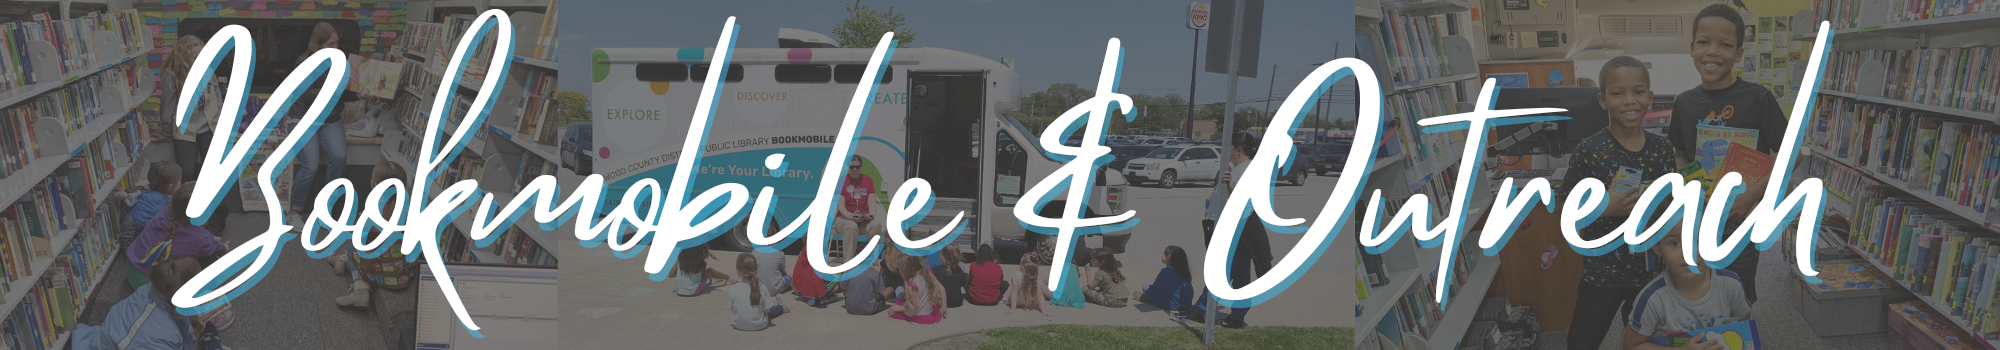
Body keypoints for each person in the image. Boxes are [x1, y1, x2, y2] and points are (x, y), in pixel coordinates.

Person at [1667, 4, 1789, 306]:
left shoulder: (1757, 98)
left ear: (1738, 53)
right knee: (1696, 291)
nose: (1712, 52)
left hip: (1742, 218)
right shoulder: (1683, 103)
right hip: (1699, 217)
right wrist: (1689, 189)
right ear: (1692, 47)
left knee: (1738, 293)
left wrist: (1752, 196)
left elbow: (1791, 154)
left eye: (1724, 45)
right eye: (1705, 42)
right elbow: (1680, 154)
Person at [1563, 55, 1678, 350]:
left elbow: (1671, 206)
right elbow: (1568, 213)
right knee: (1582, 341)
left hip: (1651, 272)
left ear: (1650, 98)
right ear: (1603, 100)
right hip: (1602, 272)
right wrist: (1605, 208)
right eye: (1618, 93)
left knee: (1646, 342)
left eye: (1638, 92)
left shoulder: (1663, 149)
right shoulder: (1588, 151)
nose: (1630, 101)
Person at [1191, 132, 1273, 328]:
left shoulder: (1248, 169)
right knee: (1241, 277)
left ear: (1239, 149)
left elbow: (1244, 202)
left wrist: (1228, 186)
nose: (1226, 153)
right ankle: (1237, 317)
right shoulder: (1239, 168)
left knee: (1222, 272)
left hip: (1238, 230)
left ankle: (1201, 309)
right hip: (1238, 231)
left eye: (1229, 148)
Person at [1622, 233, 1753, 350]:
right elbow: (1632, 345)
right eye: (1675, 243)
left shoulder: (1731, 285)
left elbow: (1745, 329)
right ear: (1657, 247)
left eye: (1697, 240)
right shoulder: (1651, 299)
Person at [160, 34, 233, 235]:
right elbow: (167, 107)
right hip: (185, 131)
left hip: (209, 128)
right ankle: (185, 221)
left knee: (214, 174)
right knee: (186, 174)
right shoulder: (172, 74)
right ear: (184, 57)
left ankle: (217, 223)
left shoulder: (207, 71)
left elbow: (217, 100)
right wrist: (166, 131)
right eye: (194, 58)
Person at [73, 257, 228, 350]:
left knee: (207, 329)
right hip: (129, 341)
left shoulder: (152, 289)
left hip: (107, 340)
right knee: (210, 336)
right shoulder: (160, 335)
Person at [332, 162, 418, 308]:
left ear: (375, 184)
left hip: (378, 271)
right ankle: (342, 259)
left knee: (354, 247)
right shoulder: (409, 208)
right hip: (403, 274)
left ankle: (360, 289)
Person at [290, 22, 351, 221]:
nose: (335, 48)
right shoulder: (304, 61)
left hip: (330, 119)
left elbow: (346, 93)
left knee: (340, 156)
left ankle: (326, 212)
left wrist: (365, 94)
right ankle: (294, 211)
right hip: (303, 119)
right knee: (311, 165)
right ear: (318, 45)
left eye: (337, 43)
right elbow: (305, 95)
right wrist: (333, 85)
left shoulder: (341, 61)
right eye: (330, 44)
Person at [129, 185, 231, 275]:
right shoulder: (198, 238)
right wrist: (224, 248)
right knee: (209, 258)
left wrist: (211, 237)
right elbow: (210, 246)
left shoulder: (166, 211)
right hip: (155, 283)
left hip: (132, 268)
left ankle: (220, 213)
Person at [834, 156, 884, 260]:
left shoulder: (868, 180)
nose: (854, 169)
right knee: (851, 226)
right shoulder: (842, 180)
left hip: (862, 218)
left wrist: (871, 214)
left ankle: (871, 260)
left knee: (876, 225)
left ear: (861, 167)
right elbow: (841, 206)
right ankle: (848, 264)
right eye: (852, 167)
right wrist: (850, 217)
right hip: (844, 218)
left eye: (857, 166)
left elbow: (871, 201)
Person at [729, 253, 785, 331]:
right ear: (756, 270)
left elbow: (732, 309)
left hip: (738, 325)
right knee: (772, 310)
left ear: (739, 272)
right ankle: (782, 307)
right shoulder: (762, 287)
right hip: (760, 325)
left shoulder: (734, 288)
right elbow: (767, 310)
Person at [886, 255, 945, 324]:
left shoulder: (910, 283)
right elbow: (942, 288)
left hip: (915, 313)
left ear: (905, 269)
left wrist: (900, 308)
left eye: (899, 269)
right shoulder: (927, 273)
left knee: (899, 289)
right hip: (928, 310)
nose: (899, 272)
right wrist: (944, 308)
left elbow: (915, 306)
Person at [1137, 246, 1196, 314]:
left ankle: (1150, 299)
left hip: (1173, 304)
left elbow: (1155, 287)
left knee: (1145, 286)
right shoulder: (1184, 271)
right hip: (1187, 304)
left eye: (1164, 253)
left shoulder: (1166, 272)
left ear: (1168, 257)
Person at [670, 244, 735, 297]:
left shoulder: (680, 261)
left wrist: (684, 275)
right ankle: (729, 278)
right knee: (710, 271)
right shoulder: (701, 263)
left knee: (697, 275)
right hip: (694, 292)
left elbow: (671, 275)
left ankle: (713, 278)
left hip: (679, 292)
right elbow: (702, 275)